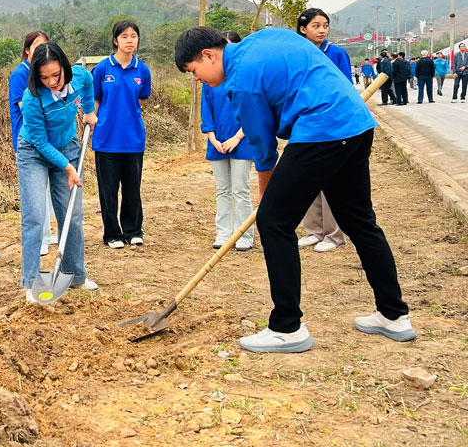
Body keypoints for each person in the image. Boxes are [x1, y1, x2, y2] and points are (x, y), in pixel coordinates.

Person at [175, 26, 415, 354]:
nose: (197, 79)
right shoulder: (264, 38)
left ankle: (287, 327)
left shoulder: (241, 81)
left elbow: (263, 149)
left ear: (209, 55)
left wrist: (267, 199)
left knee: (274, 222)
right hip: (355, 123)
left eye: (194, 72)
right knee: (359, 221)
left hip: (322, 129)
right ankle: (394, 315)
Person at [17, 42, 98, 300]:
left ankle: (74, 276)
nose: (52, 82)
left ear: (65, 68)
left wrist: (89, 111)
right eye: (44, 77)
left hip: (68, 145)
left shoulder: (80, 76)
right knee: (35, 217)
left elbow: (88, 86)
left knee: (72, 215)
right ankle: (31, 283)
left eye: (56, 75)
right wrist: (68, 167)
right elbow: (40, 142)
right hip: (34, 153)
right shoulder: (33, 98)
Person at [91, 20, 151, 248]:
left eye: (133, 36)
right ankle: (112, 234)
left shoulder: (142, 70)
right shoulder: (102, 69)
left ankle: (133, 230)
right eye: (124, 36)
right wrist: (95, 122)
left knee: (132, 188)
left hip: (133, 139)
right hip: (106, 139)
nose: (129, 40)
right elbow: (95, 101)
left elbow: (142, 98)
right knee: (108, 190)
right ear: (115, 40)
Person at [296, 9, 348, 253]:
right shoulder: (298, 54)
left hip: (332, 126)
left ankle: (334, 235)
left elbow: (345, 89)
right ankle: (314, 231)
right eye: (316, 25)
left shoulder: (336, 54)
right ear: (302, 29)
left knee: (330, 181)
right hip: (306, 125)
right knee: (307, 180)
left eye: (325, 25)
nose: (322, 30)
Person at [201, 30, 255, 251]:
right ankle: (224, 232)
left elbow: (253, 112)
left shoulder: (244, 76)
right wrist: (213, 138)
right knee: (222, 189)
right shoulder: (210, 80)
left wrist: (237, 137)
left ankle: (244, 235)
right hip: (217, 143)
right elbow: (207, 112)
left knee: (240, 189)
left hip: (242, 142)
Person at [10, 31, 57, 256]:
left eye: (45, 46)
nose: (41, 50)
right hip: (29, 141)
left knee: (46, 193)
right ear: (27, 49)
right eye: (37, 45)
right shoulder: (21, 74)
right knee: (34, 197)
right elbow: (25, 107)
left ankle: (46, 235)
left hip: (47, 141)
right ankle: (38, 240)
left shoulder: (42, 73)